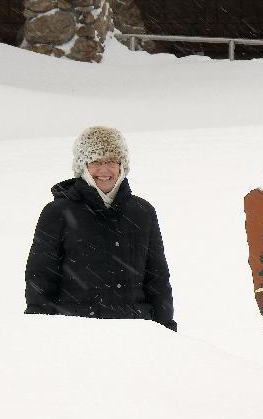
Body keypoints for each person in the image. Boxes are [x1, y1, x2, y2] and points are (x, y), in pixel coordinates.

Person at [25, 126, 176, 331]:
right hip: (76, 333)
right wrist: (38, 328)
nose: (104, 170)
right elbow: (40, 277)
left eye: (111, 161)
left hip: (136, 334)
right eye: (96, 161)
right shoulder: (57, 212)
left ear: (122, 166)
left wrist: (166, 330)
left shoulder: (143, 212)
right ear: (83, 167)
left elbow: (157, 279)